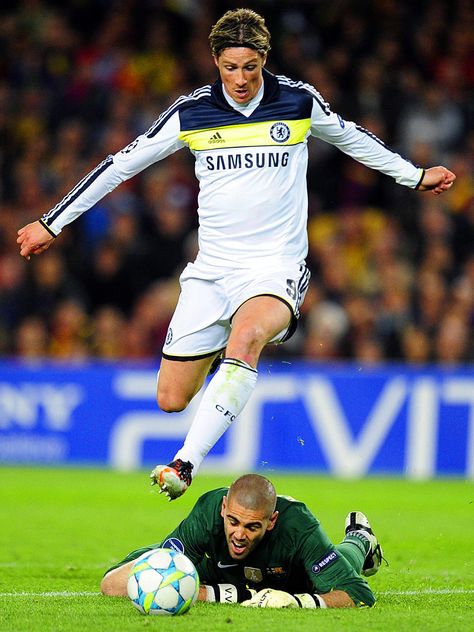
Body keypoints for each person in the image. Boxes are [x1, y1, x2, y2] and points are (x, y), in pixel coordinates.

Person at [17, 9, 456, 499]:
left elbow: (355, 139)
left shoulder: (297, 102)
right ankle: (228, 372)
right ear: (214, 61)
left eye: (250, 66)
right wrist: (51, 222)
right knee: (170, 398)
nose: (241, 78)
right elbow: (119, 165)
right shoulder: (192, 113)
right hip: (212, 273)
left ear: (265, 60)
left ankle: (185, 463)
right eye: (230, 67)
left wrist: (414, 176)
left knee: (247, 337)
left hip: (276, 266)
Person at [100, 473, 382, 608]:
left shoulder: (298, 527)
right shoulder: (208, 513)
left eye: (252, 526)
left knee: (339, 565)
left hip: (289, 578)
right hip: (219, 575)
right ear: (224, 508)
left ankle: (359, 538)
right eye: (233, 521)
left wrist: (297, 602)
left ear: (271, 522)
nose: (239, 534)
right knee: (123, 579)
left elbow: (359, 595)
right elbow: (112, 585)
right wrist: (224, 595)